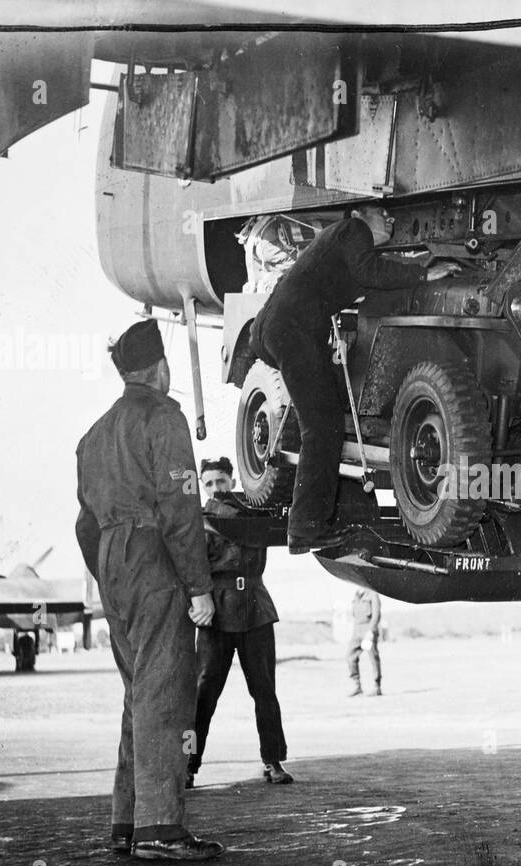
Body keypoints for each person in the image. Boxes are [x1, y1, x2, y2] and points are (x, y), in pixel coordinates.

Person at [75, 318, 223, 862]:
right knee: (165, 691)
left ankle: (127, 821)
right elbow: (181, 511)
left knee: (139, 690)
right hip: (152, 557)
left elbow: (83, 525)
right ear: (161, 369)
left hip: (112, 562)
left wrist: (110, 574)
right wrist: (198, 587)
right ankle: (161, 830)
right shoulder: (164, 418)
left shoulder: (92, 436)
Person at [252, 204, 459, 554]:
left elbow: (368, 275)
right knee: (322, 427)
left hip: (281, 329)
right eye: (383, 212)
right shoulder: (352, 231)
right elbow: (371, 271)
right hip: (292, 330)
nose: (391, 218)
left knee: (329, 415)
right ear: (359, 213)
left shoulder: (341, 242)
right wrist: (425, 275)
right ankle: (305, 529)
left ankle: (326, 517)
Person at [188, 456, 292, 787]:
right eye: (209, 484)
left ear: (233, 481)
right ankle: (187, 764)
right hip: (215, 612)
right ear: (202, 487)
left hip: (255, 609)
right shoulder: (196, 520)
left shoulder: (255, 514)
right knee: (202, 693)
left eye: (221, 481)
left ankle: (273, 761)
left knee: (265, 690)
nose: (216, 488)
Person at [347, 588, 382, 697]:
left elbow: (376, 614)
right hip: (357, 629)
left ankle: (377, 687)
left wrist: (371, 631)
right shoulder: (356, 595)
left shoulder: (372, 594)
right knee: (350, 656)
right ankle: (357, 686)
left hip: (368, 628)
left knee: (373, 657)